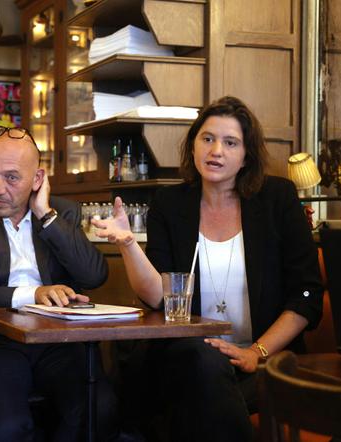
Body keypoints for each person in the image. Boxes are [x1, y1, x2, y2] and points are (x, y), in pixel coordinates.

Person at [93, 96, 323, 442]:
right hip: (188, 357)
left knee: (191, 403)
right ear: (194, 145)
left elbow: (306, 295)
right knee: (200, 366)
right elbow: (159, 298)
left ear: (247, 155)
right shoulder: (169, 205)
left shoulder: (278, 199)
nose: (216, 150)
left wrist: (255, 352)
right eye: (207, 138)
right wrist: (127, 244)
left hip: (263, 358)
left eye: (231, 143)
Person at [0, 125, 118, 441]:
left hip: (55, 342)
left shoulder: (62, 213)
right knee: (5, 426)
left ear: (37, 179)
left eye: (11, 178)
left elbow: (94, 275)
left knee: (100, 409)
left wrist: (45, 215)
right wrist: (35, 293)